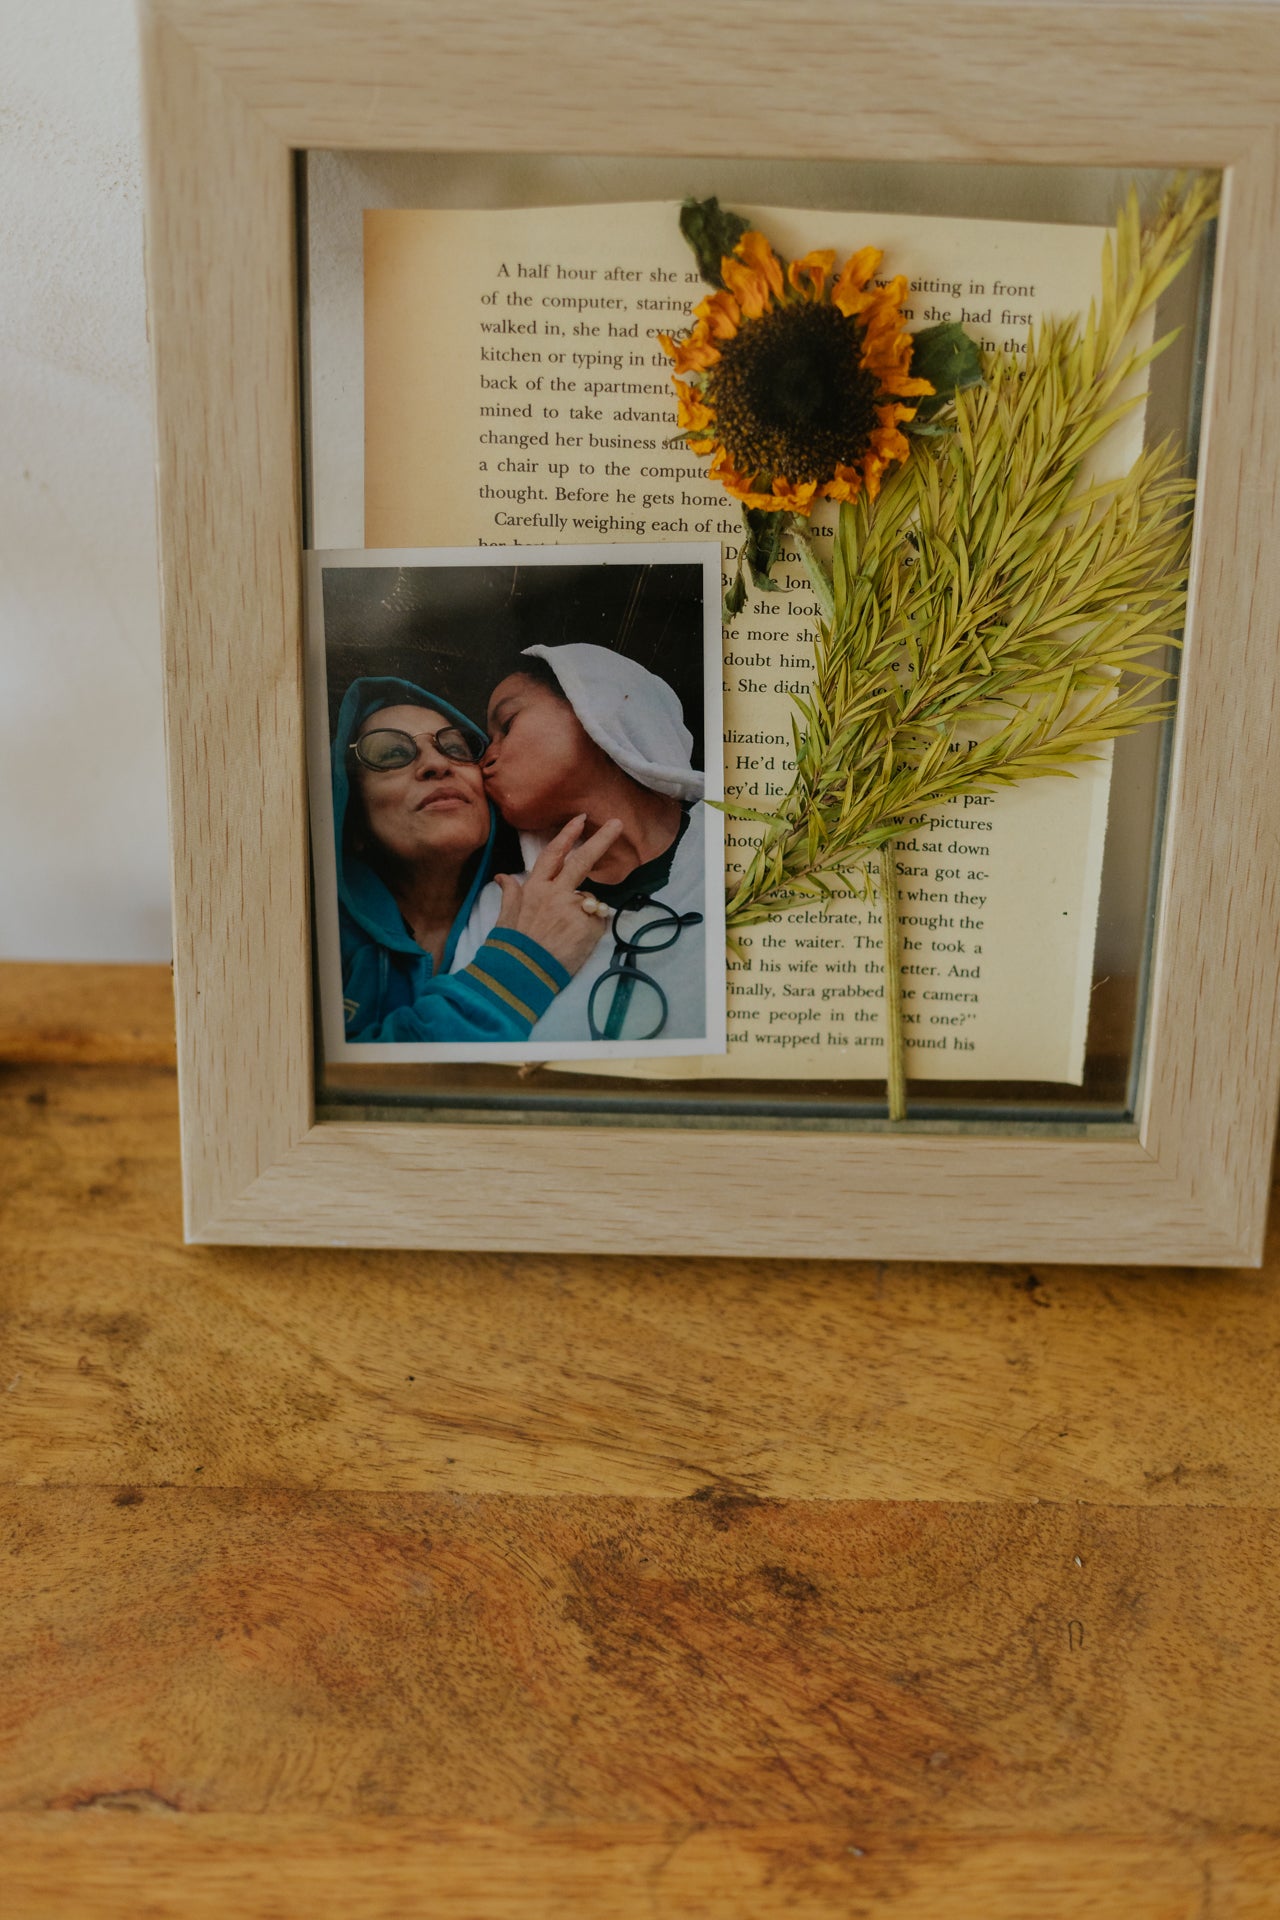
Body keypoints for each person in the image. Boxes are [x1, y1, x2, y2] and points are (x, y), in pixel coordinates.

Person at [332, 674, 620, 1042]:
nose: (437, 764)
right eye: (391, 754)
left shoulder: (525, 904)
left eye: (455, 748)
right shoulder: (314, 936)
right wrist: (519, 968)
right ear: (352, 819)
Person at [472, 644, 707, 1044]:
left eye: (507, 724)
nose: (484, 762)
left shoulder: (740, 844)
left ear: (594, 704)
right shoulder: (503, 907)